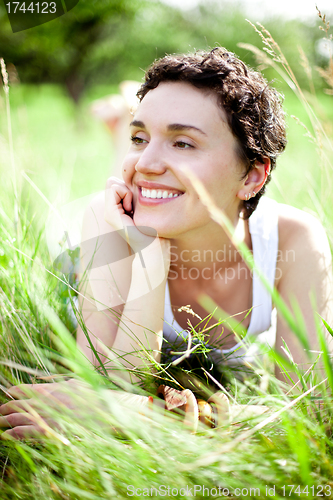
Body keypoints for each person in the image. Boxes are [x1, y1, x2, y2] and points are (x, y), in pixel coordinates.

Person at [1, 48, 332, 438]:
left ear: (252, 178)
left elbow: (311, 414)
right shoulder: (109, 223)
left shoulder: (293, 240)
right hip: (80, 271)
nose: (145, 162)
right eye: (139, 138)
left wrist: (154, 414)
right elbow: (109, 385)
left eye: (183, 143)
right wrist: (149, 257)